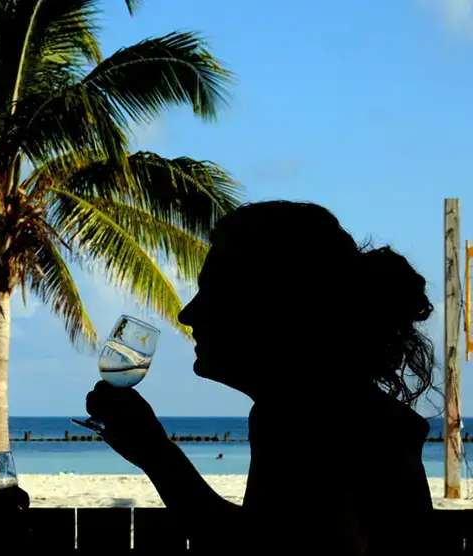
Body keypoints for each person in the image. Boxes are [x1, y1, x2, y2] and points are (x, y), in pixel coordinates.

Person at [86, 201, 437, 555]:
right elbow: (273, 539)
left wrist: (155, 453)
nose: (187, 313)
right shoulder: (341, 412)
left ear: (271, 306)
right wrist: (153, 451)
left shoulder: (308, 421)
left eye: (213, 292)